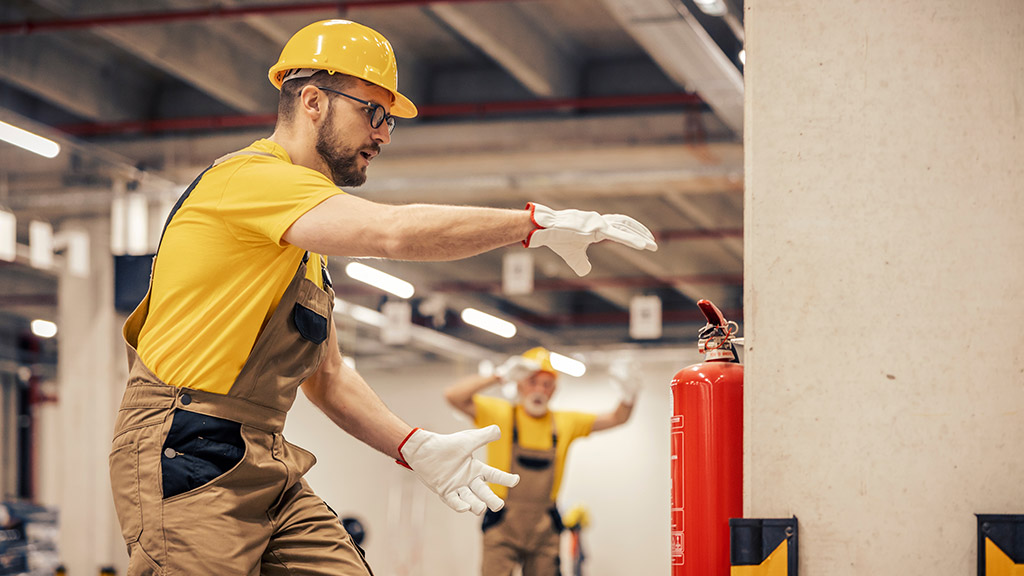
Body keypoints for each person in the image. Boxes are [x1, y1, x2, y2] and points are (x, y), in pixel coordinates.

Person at [106, 18, 656, 576]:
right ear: (314, 100)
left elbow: (330, 377)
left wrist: (413, 446)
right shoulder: (248, 181)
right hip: (184, 445)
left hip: (261, 451)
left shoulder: (302, 245)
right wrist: (533, 224)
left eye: (389, 119)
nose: (385, 134)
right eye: (373, 112)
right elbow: (393, 233)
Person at [444, 348, 640, 576]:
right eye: (533, 382)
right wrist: (500, 375)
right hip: (502, 523)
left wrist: (629, 395)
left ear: (554, 390)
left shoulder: (565, 422)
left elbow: (618, 417)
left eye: (547, 384)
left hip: (544, 527)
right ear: (519, 384)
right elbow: (453, 396)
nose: (539, 390)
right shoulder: (500, 414)